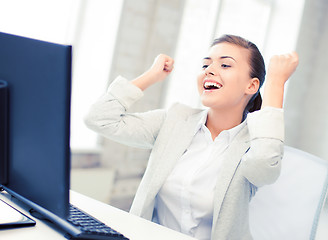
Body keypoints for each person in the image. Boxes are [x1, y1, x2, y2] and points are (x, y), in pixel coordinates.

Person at [84, 34, 299, 240]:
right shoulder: (176, 120)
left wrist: (275, 84)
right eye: (205, 65)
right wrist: (151, 76)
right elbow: (99, 118)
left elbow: (264, 169)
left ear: (251, 86)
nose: (210, 70)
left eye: (225, 65)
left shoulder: (256, 143)